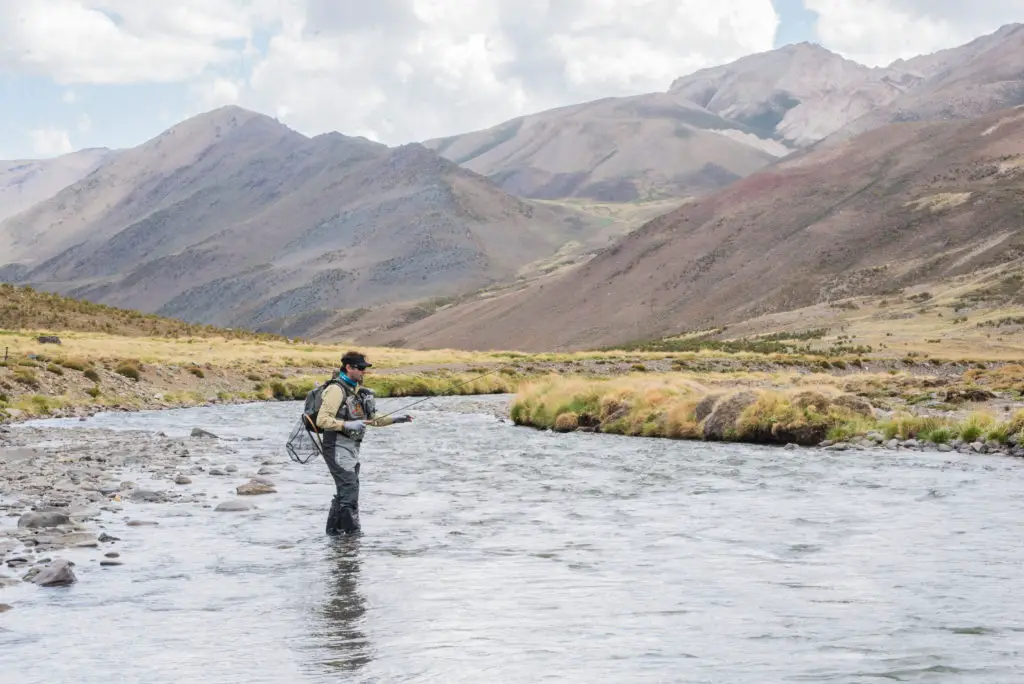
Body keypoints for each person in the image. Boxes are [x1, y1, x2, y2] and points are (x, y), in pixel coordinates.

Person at [315, 350, 411, 536]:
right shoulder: (336, 390)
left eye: (364, 368)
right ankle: (352, 536)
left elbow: (373, 419)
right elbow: (322, 420)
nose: (363, 372)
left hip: (350, 448)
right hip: (335, 446)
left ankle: (335, 535)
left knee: (347, 490)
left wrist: (396, 419)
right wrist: (347, 424)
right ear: (349, 367)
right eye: (360, 368)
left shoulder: (358, 392)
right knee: (349, 491)